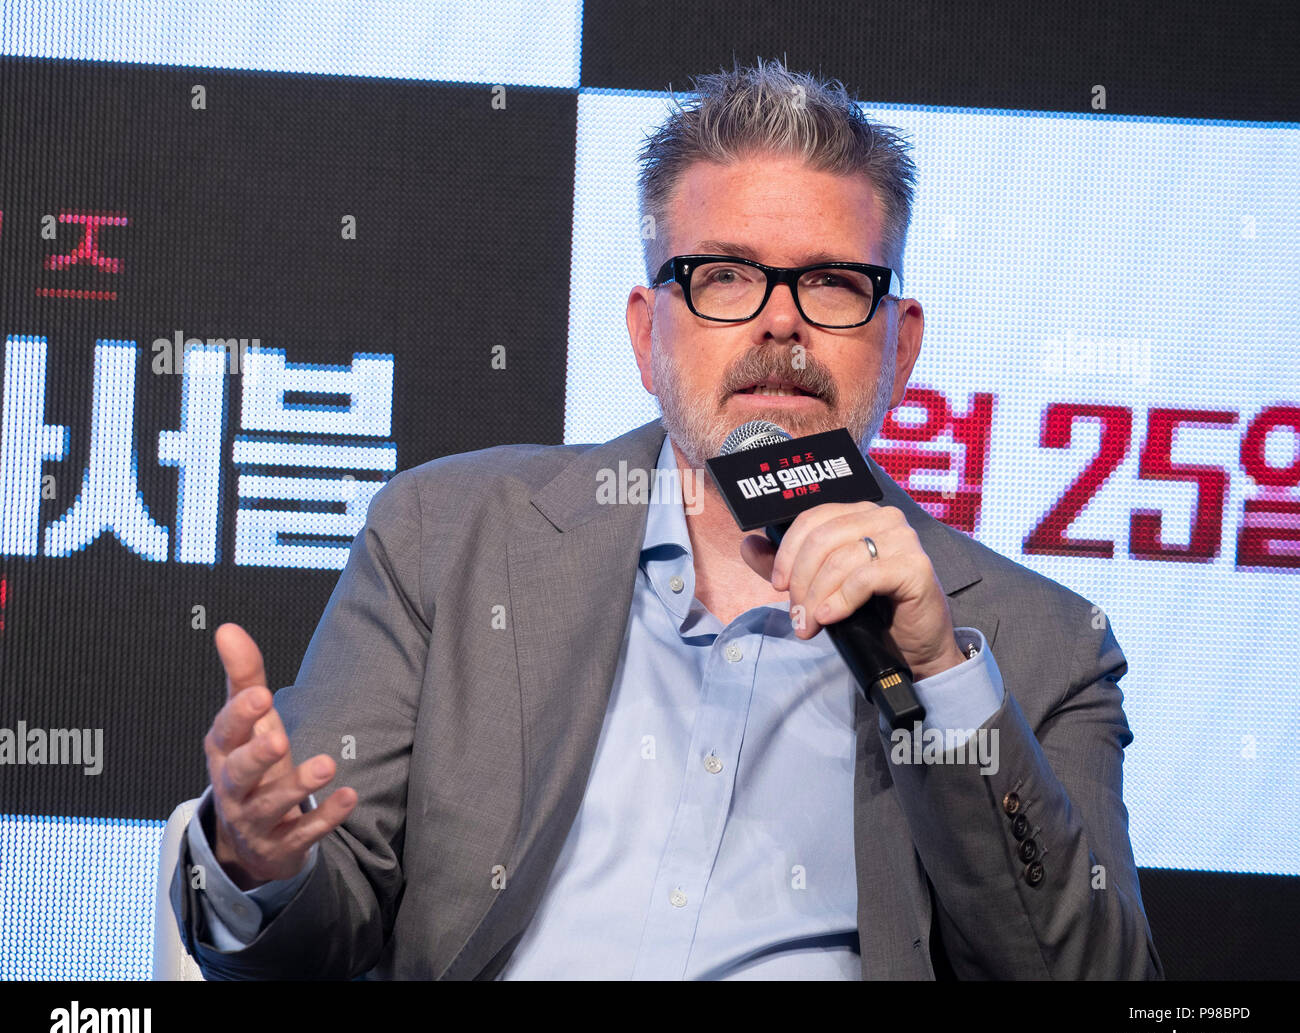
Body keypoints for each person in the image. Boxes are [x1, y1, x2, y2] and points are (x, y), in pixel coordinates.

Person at [170, 58, 1163, 980]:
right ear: (649, 336)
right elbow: (310, 940)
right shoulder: (446, 539)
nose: (781, 322)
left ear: (897, 346)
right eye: (724, 276)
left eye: (829, 282)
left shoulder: (1037, 651)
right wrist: (256, 858)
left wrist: (939, 680)